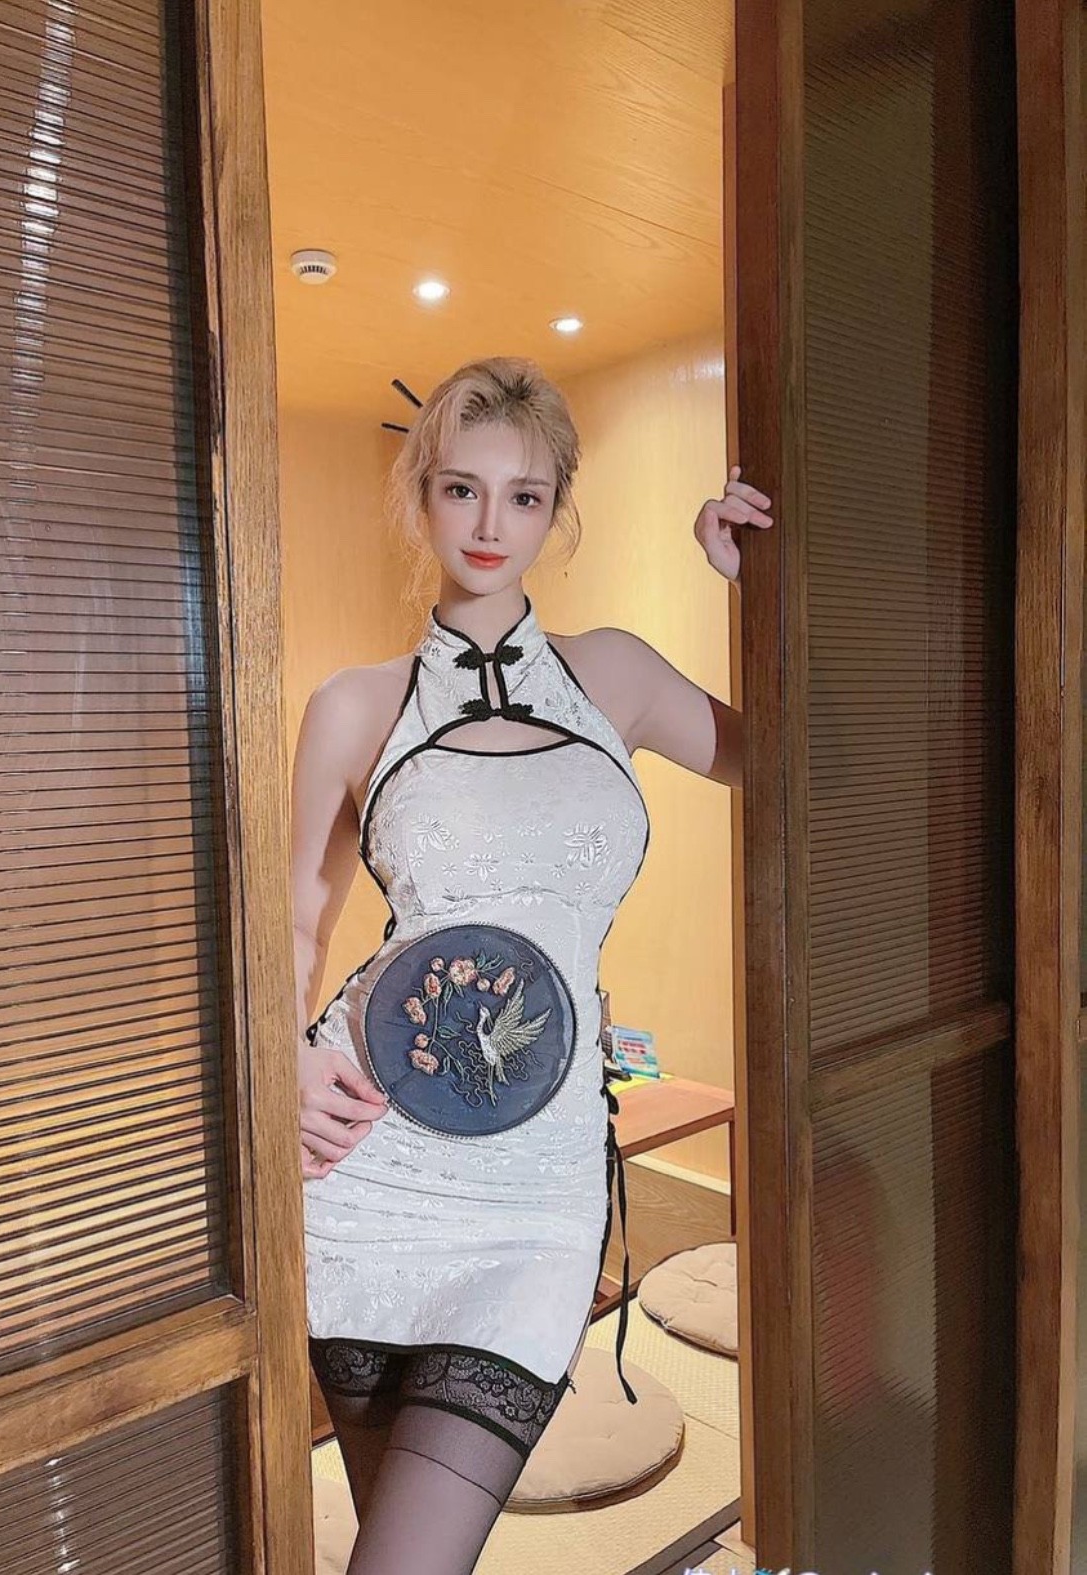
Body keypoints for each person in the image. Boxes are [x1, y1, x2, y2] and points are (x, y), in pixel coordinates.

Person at [292, 356, 772, 1574]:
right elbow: (293, 929)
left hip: (536, 1191)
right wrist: (277, 1064)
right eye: (461, 488)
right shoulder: (351, 705)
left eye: (523, 495)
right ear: (420, 495)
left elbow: (796, 761)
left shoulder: (617, 675)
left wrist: (754, 592)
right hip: (364, 1175)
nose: (488, 523)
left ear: (557, 509)